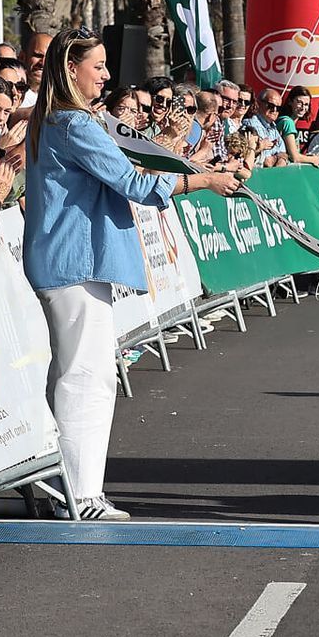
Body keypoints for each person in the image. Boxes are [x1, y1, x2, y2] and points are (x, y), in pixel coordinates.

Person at [23, 28, 241, 521]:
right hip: (71, 263)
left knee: (74, 372)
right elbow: (130, 181)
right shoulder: (72, 123)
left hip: (68, 261)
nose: (105, 75)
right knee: (87, 377)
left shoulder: (58, 121)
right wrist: (202, 179)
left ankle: (64, 487)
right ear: (70, 69)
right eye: (97, 66)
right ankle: (82, 495)